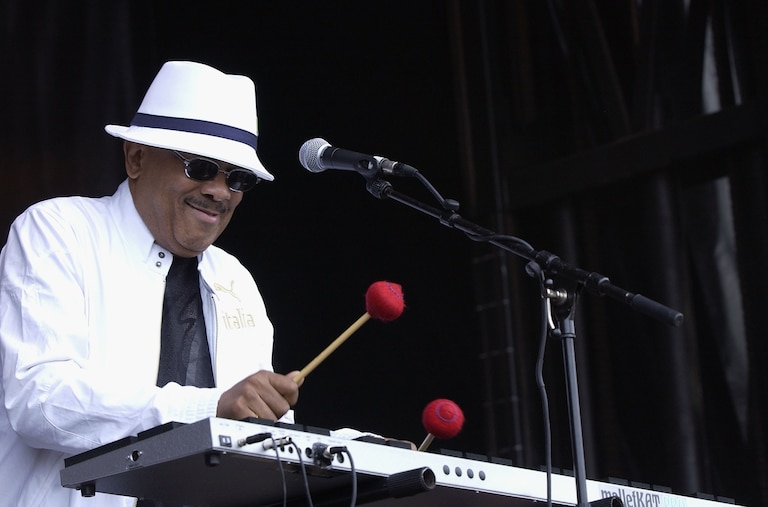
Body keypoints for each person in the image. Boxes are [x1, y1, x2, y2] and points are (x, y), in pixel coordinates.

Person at [0, 61, 309, 506]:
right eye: (201, 168)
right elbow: (40, 400)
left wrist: (363, 453)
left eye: (238, 179)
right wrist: (209, 410)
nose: (221, 192)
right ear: (136, 157)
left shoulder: (235, 280)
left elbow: (253, 438)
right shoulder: (58, 230)